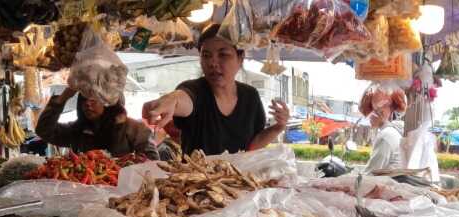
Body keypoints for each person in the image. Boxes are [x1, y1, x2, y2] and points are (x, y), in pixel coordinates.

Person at [141, 24, 289, 155]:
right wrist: (170, 100)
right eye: (206, 55)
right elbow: (182, 98)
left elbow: (252, 145)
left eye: (223, 55)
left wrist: (279, 127)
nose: (212, 63)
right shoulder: (195, 89)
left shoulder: (250, 96)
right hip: (197, 177)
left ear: (240, 58)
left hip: (240, 176)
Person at [34, 87, 158, 159]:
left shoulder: (133, 128)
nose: (88, 104)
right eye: (84, 99)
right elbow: (44, 131)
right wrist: (63, 97)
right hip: (85, 191)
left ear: (108, 102)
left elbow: (152, 160)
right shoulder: (77, 129)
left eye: (94, 99)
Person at [364, 110, 403, 174]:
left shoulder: (386, 134)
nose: (369, 116)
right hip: (390, 177)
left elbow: (373, 171)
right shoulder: (391, 131)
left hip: (388, 178)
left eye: (374, 112)